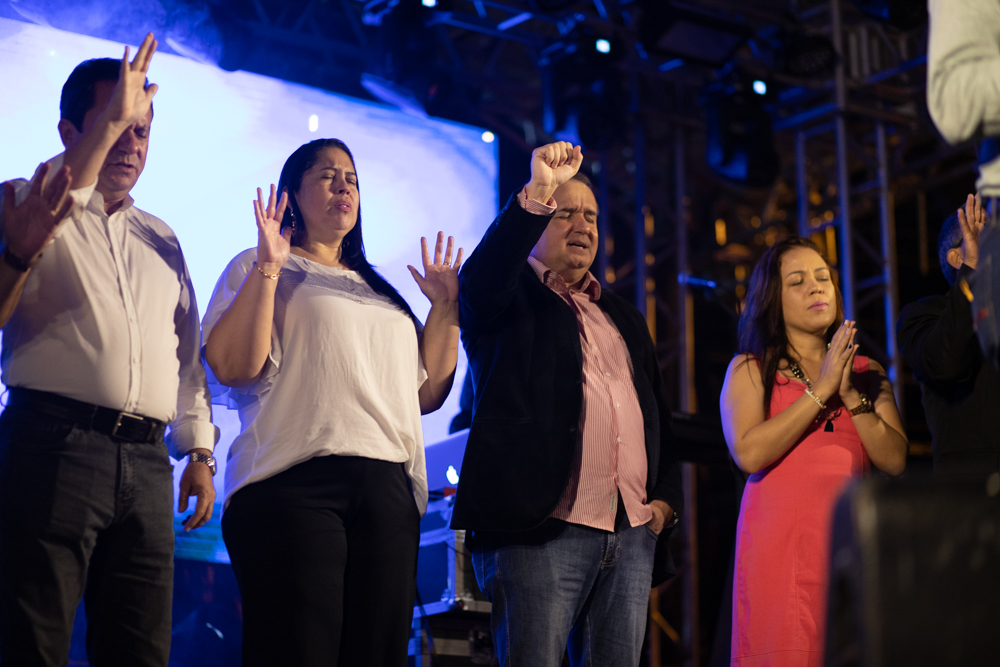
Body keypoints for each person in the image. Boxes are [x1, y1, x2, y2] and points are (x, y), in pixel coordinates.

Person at [0, 36, 218, 667]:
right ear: (69, 131)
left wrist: (198, 451)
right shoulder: (27, 200)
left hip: (148, 462)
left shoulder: (162, 237)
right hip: (52, 444)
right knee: (33, 643)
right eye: (115, 125)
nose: (131, 144)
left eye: (142, 131)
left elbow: (185, 358)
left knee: (141, 652)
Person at [202, 138, 462, 666]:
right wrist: (269, 266)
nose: (344, 185)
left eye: (352, 179)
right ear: (292, 195)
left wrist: (445, 308)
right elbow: (232, 365)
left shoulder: (379, 291)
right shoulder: (257, 264)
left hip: (387, 487)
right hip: (291, 482)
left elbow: (427, 392)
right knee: (299, 649)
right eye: (327, 175)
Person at [453, 141, 683, 667]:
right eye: (565, 213)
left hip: (630, 533)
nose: (583, 225)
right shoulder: (507, 297)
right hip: (538, 530)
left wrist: (665, 504)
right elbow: (479, 284)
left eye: (592, 217)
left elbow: (659, 424)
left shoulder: (624, 317)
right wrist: (539, 190)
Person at [720, 236, 908, 666]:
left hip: (849, 547)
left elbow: (895, 460)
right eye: (797, 281)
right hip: (779, 552)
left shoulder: (867, 372)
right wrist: (821, 390)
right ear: (773, 299)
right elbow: (748, 453)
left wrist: (850, 395)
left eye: (823, 277)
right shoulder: (749, 368)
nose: (816, 287)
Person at [897, 195, 1000, 480]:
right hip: (976, 484)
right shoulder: (924, 314)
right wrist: (974, 269)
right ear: (957, 258)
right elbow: (945, 363)